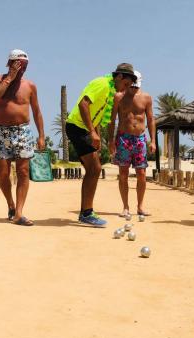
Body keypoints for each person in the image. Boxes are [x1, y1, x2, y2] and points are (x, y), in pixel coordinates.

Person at [66, 63, 137, 227]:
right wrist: (92, 132)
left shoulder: (111, 91)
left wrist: (95, 134)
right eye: (125, 84)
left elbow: (96, 114)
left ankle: (86, 212)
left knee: (93, 168)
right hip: (78, 127)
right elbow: (83, 105)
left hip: (83, 128)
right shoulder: (102, 84)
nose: (125, 89)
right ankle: (86, 213)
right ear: (119, 77)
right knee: (95, 168)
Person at [0, 49, 45, 226]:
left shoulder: (30, 86)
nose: (22, 68)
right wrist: (10, 78)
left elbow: (36, 112)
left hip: (23, 131)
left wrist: (41, 136)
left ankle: (19, 213)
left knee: (23, 171)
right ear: (10, 63)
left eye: (25, 65)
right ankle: (10, 204)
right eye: (18, 64)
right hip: (1, 131)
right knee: (3, 173)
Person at [108, 70, 156, 217]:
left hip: (140, 139)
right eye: (131, 86)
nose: (134, 88)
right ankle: (125, 207)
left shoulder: (146, 98)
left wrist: (153, 140)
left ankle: (140, 206)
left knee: (141, 173)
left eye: (136, 86)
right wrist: (111, 140)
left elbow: (150, 119)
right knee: (123, 173)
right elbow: (112, 119)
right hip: (123, 138)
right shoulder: (119, 97)